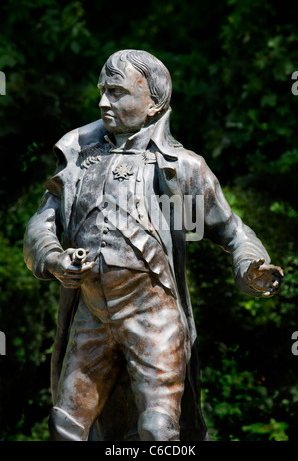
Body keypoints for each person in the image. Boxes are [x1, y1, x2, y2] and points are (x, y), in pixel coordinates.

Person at [23, 49, 284, 442]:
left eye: (116, 92)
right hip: (91, 315)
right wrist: (56, 259)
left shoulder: (181, 168)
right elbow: (41, 226)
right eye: (101, 91)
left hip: (154, 316)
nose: (102, 102)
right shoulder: (79, 160)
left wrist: (251, 266)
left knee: (158, 430)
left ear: (154, 102)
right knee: (66, 425)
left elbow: (231, 230)